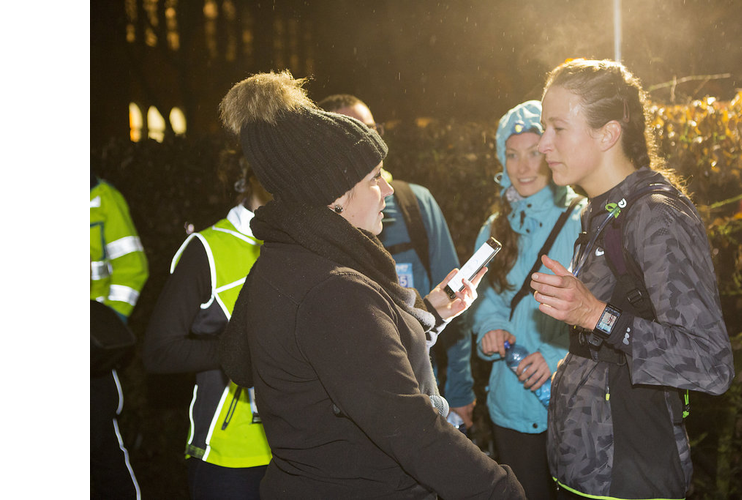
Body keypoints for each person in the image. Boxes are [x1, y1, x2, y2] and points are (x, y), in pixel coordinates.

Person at [215, 71, 525, 499]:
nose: (387, 189)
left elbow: (327, 362)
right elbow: (412, 429)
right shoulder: (334, 291)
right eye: (375, 177)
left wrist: (428, 314)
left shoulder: (284, 259)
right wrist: (502, 490)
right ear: (336, 197)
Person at [528, 59, 735, 499]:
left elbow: (711, 363)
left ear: (607, 133)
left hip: (633, 476)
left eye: (557, 128)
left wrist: (596, 315)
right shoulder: (599, 210)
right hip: (582, 474)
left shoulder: (657, 216)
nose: (542, 144)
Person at [319, 93, 477, 430]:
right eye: (355, 134)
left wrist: (459, 389)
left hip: (423, 401)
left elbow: (452, 303)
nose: (370, 143)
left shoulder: (414, 203)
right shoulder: (313, 245)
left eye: (373, 130)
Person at [469, 101, 584, 499]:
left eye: (534, 153)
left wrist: (556, 359)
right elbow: (484, 296)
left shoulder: (582, 219)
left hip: (571, 403)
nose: (523, 167)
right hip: (511, 400)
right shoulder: (496, 224)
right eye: (512, 155)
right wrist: (489, 327)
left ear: (552, 151)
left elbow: (602, 310)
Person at [143, 153, 273, 499]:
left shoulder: (304, 245)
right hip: (229, 459)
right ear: (253, 174)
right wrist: (239, 348)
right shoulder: (207, 249)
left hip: (301, 452)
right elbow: (158, 351)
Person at [90, 171, 148, 499]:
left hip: (92, 358)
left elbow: (132, 267)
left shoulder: (101, 198)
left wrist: (102, 330)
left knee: (103, 449)